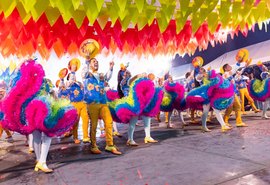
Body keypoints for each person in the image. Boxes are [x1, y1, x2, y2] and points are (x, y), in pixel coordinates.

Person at [0, 60, 77, 173]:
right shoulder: (26, 83)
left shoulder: (42, 82)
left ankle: (41, 161)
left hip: (44, 111)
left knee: (44, 135)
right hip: (34, 113)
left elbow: (52, 94)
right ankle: (40, 161)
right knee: (40, 136)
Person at [82, 58, 121, 155]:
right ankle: (93, 146)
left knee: (109, 122)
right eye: (94, 61)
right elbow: (83, 73)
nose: (96, 63)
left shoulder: (101, 75)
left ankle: (110, 145)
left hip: (103, 101)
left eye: (97, 62)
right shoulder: (87, 74)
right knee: (94, 125)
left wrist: (111, 68)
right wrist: (86, 61)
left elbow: (107, 77)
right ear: (90, 64)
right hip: (92, 102)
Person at [66, 58, 90, 144]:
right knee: (76, 121)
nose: (73, 77)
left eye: (73, 75)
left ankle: (85, 136)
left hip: (82, 103)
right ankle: (75, 137)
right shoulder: (68, 84)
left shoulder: (79, 83)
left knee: (86, 119)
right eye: (71, 76)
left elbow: (84, 91)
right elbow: (71, 81)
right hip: (74, 104)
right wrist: (72, 72)